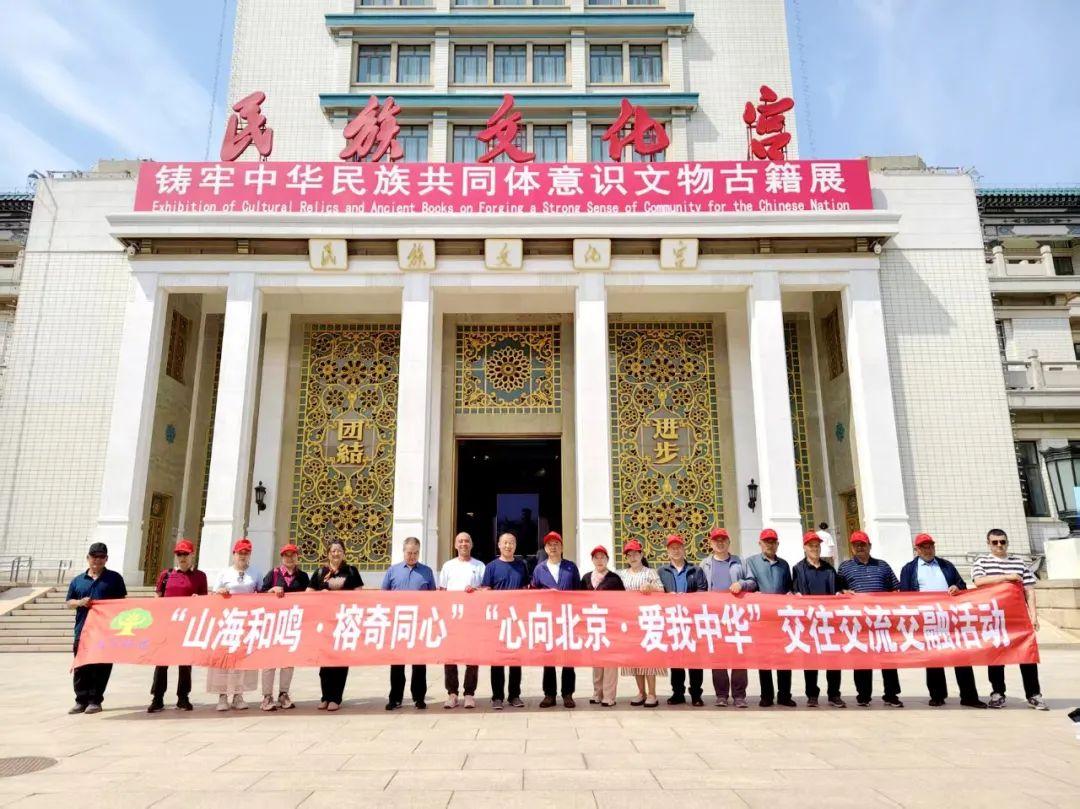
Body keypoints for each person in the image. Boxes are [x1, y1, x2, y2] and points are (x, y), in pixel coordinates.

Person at [898, 533, 986, 709]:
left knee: (961, 656)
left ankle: (969, 696)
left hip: (951, 618)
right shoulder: (909, 569)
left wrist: (956, 587)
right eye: (924, 547)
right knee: (933, 658)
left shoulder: (946, 565)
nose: (928, 550)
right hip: (927, 619)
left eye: (930, 546)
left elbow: (961, 585)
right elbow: (905, 595)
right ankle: (937, 695)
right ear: (916, 550)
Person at [972, 528, 1048, 710]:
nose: (999, 545)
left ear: (1007, 542)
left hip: (1019, 617)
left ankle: (1034, 695)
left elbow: (1029, 591)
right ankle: (998, 693)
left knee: (1027, 655)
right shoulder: (982, 562)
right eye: (995, 542)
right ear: (988, 544)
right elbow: (978, 581)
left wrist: (1033, 615)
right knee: (996, 656)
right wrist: (1007, 577)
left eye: (1002, 542)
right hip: (995, 617)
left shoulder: (1019, 563)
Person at [838, 530, 902, 708]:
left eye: (863, 544)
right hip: (859, 622)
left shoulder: (883, 565)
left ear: (870, 546)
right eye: (856, 545)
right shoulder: (844, 567)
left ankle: (891, 694)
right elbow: (838, 590)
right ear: (851, 547)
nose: (859, 547)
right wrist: (843, 592)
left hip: (883, 620)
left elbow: (895, 588)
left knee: (887, 659)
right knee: (862, 658)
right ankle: (863, 695)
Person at [66, 542, 127, 714]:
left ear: (106, 559)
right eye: (94, 557)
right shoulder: (78, 580)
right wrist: (80, 602)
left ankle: (95, 700)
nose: (97, 560)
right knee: (81, 666)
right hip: (82, 631)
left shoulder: (114, 578)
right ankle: (80, 700)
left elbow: (121, 603)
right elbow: (69, 602)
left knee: (101, 667)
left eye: (101, 557)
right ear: (88, 558)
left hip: (105, 632)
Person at [149, 538, 207, 713]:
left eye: (185, 554)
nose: (182, 558)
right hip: (167, 626)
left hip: (187, 627)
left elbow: (204, 600)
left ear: (192, 555)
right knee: (161, 663)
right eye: (179, 554)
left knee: (185, 664)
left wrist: (198, 600)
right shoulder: (166, 575)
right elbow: (157, 597)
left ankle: (183, 698)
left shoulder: (200, 576)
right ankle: (157, 698)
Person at [792, 531, 847, 708]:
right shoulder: (798, 569)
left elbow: (837, 590)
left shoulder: (829, 568)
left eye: (817, 546)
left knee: (833, 659)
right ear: (804, 548)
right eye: (811, 546)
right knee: (811, 660)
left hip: (829, 621)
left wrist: (840, 594)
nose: (815, 549)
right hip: (810, 621)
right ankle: (812, 695)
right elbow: (796, 591)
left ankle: (834, 694)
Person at [382, 536, 437, 710]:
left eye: (415, 553)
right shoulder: (393, 571)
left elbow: (433, 597)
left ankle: (419, 697)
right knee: (397, 663)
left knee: (419, 663)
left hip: (419, 623)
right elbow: (383, 595)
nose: (412, 556)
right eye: (409, 552)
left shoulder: (427, 571)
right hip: (398, 624)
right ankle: (395, 698)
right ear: (403, 551)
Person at [700, 527, 752, 708]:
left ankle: (739, 695)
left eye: (723, 540)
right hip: (714, 616)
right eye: (716, 540)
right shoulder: (705, 564)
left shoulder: (739, 562)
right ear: (711, 543)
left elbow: (752, 581)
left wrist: (741, 583)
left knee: (739, 654)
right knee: (718, 656)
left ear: (729, 542)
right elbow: (701, 587)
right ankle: (721, 694)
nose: (720, 543)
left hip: (737, 616)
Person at [309, 538, 363, 711]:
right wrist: (322, 594)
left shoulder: (351, 571)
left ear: (344, 553)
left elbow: (359, 594)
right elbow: (308, 593)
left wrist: (341, 597)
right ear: (328, 553)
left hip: (344, 622)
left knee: (340, 661)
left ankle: (336, 698)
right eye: (333, 550)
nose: (336, 553)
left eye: (339, 550)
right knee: (324, 661)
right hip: (325, 623)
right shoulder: (320, 572)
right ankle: (325, 696)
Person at [743, 528, 795, 708]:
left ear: (777, 544)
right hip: (763, 618)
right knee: (764, 658)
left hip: (781, 619)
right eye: (766, 542)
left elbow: (789, 587)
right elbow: (750, 582)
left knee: (784, 658)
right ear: (760, 544)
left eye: (773, 542)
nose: (770, 545)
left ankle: (785, 695)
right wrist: (747, 589)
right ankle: (766, 695)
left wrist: (790, 594)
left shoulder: (784, 565)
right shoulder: (752, 562)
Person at [209, 538, 261, 711]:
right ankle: (222, 696)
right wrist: (220, 591)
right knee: (224, 660)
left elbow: (262, 594)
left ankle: (238, 695)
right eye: (240, 553)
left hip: (246, 623)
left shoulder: (255, 573)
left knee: (241, 660)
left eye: (246, 553)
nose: (243, 556)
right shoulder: (224, 573)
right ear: (234, 554)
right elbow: (213, 595)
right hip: (227, 622)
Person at [259, 542, 311, 711]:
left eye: (292, 555)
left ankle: (283, 694)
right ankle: (267, 696)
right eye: (286, 555)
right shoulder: (273, 574)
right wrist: (272, 590)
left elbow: (309, 598)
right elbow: (259, 595)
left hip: (292, 623)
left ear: (297, 557)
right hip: (272, 623)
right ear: (281, 558)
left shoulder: (303, 577)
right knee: (269, 661)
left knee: (288, 661)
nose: (289, 558)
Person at [531, 531, 580, 708]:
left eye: (556, 544)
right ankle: (549, 694)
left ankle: (568, 694)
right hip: (548, 619)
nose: (553, 547)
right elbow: (533, 592)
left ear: (562, 547)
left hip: (567, 618)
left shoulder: (571, 567)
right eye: (549, 545)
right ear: (545, 549)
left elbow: (579, 591)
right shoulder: (539, 569)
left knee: (568, 658)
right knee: (548, 658)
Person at [481, 532, 529, 709]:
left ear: (515, 546)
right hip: (498, 620)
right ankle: (497, 696)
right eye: (505, 543)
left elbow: (526, 589)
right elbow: (486, 590)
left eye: (512, 543)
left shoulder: (521, 565)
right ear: (499, 545)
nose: (508, 546)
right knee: (498, 660)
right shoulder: (491, 567)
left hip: (516, 619)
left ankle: (514, 695)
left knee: (515, 659)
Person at [657, 534, 707, 706]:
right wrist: (667, 597)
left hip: (692, 620)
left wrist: (687, 599)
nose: (676, 551)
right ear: (667, 551)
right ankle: (677, 693)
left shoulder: (696, 570)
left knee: (695, 659)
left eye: (678, 547)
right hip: (673, 620)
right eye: (672, 548)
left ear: (684, 549)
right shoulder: (662, 572)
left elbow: (703, 592)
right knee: (676, 658)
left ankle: (696, 694)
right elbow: (658, 593)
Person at [439, 532, 486, 709]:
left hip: (472, 618)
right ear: (455, 545)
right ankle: (452, 694)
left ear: (471, 545)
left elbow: (486, 590)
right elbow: (442, 591)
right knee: (450, 657)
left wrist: (476, 590)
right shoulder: (448, 566)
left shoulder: (479, 566)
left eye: (467, 541)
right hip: (452, 618)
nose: (464, 544)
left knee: (472, 656)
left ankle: (469, 693)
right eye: (460, 541)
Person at [617, 539, 665, 708]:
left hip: (648, 620)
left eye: (636, 553)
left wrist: (651, 588)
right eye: (629, 555)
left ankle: (652, 693)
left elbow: (662, 590)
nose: (633, 557)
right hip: (630, 621)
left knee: (649, 658)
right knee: (635, 658)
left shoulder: (650, 573)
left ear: (642, 554)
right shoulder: (622, 574)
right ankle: (641, 692)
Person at [581, 544, 624, 707]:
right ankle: (597, 692)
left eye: (603, 557)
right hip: (593, 625)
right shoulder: (586, 578)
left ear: (608, 559)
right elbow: (578, 600)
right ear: (592, 560)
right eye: (596, 557)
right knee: (597, 661)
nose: (599, 560)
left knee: (610, 661)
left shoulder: (614, 579)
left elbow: (622, 602)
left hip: (610, 625)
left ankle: (609, 695)